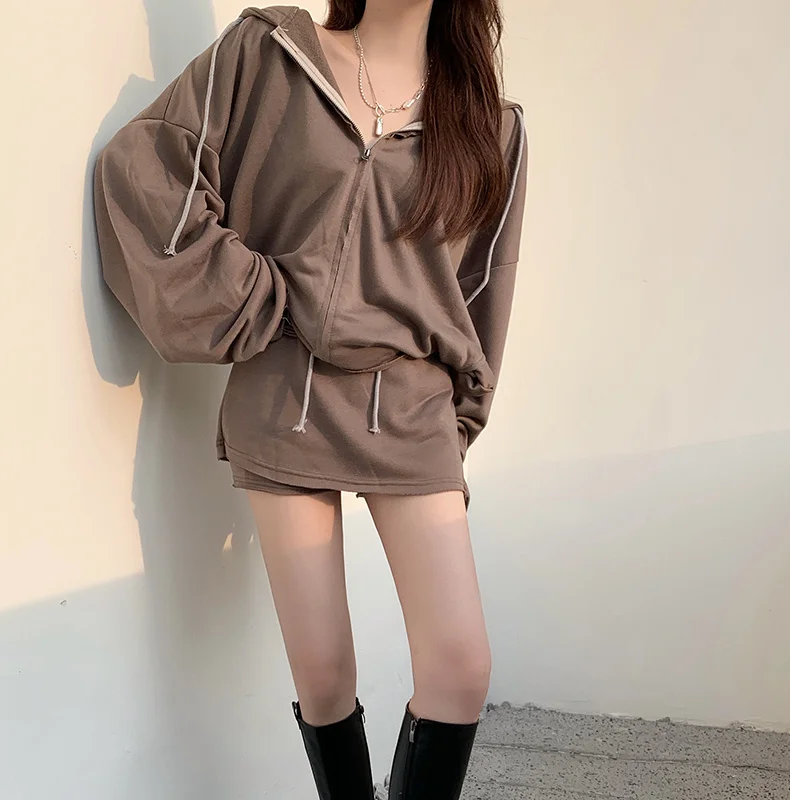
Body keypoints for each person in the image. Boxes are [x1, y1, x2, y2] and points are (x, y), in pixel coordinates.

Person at [93, 1, 528, 797]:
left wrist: (455, 423)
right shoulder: (270, 52)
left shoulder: (491, 125)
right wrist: (252, 297)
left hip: (411, 408)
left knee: (461, 668)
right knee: (323, 674)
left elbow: (478, 296)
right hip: (284, 393)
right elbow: (143, 171)